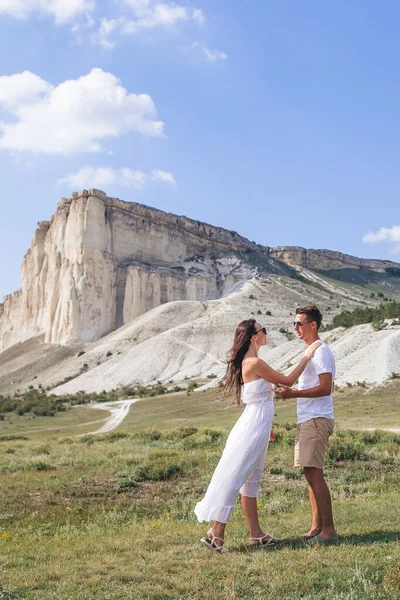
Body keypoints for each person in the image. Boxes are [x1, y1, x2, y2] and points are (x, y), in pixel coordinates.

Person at [194, 318, 320, 552]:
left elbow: (258, 397)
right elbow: (289, 381)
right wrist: (307, 355)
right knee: (237, 475)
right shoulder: (254, 362)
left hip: (257, 423)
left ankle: (256, 535)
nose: (266, 333)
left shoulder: (249, 362)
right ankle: (217, 532)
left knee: (250, 481)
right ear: (254, 336)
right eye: (264, 330)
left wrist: (267, 425)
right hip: (253, 424)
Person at [274, 305, 338, 543]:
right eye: (294, 324)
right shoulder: (312, 351)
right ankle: (316, 528)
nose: (295, 328)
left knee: (314, 474)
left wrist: (294, 394)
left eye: (299, 323)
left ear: (313, 325)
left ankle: (329, 531)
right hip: (308, 418)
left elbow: (325, 388)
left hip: (316, 418)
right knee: (310, 473)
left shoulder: (320, 352)